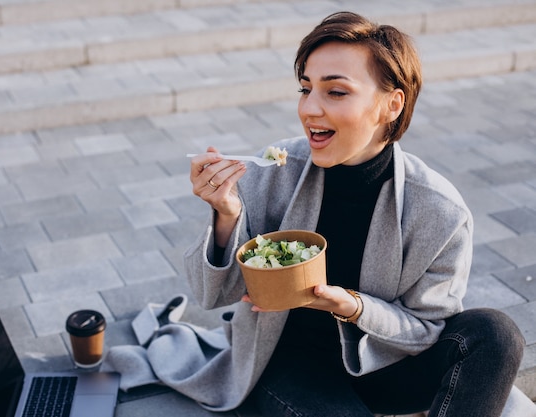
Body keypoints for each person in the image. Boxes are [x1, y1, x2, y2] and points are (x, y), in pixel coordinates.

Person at [184, 11, 530, 417]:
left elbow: (427, 328)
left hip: (388, 363)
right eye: (305, 88)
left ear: (391, 104)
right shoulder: (273, 173)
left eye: (336, 92)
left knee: (495, 333)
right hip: (294, 364)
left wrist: (351, 306)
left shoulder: (439, 211)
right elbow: (211, 295)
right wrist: (226, 215)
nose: (309, 109)